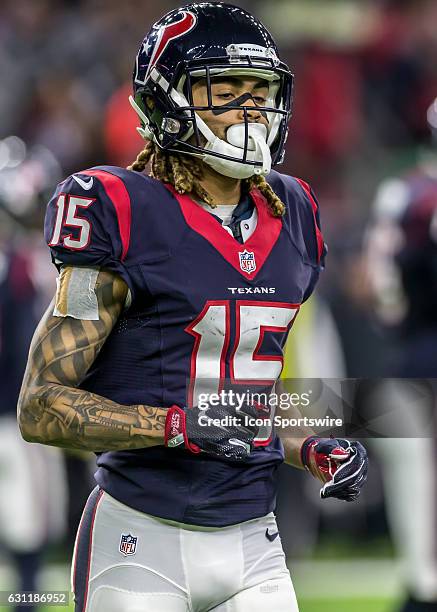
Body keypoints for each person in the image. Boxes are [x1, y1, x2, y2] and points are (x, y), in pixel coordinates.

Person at [17, 4, 368, 611]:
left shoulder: (294, 213)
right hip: (139, 540)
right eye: (225, 92)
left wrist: (309, 445)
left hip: (255, 543)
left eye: (258, 91)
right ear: (167, 103)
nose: (251, 109)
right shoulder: (120, 207)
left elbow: (242, 398)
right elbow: (40, 406)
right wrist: (175, 427)